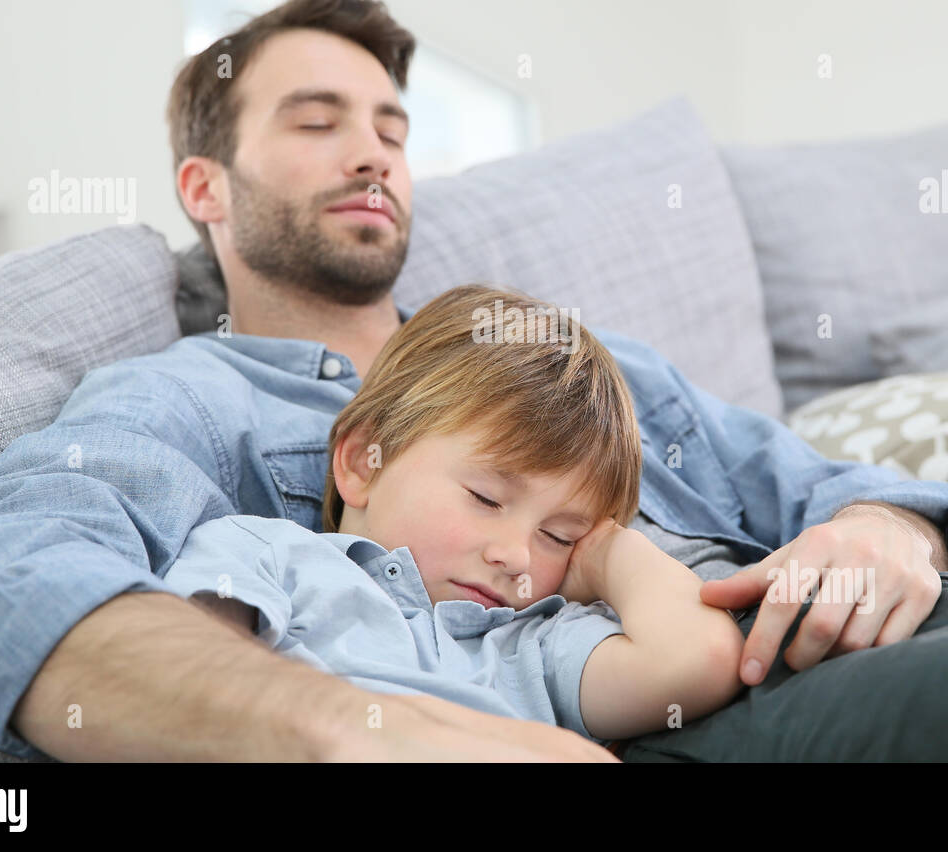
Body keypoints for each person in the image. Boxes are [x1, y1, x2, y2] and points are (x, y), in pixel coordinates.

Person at [0, 0, 948, 762]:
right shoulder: (191, 400)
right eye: (317, 120)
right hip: (763, 703)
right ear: (205, 189)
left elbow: (820, 482)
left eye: (391, 125)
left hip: (930, 609)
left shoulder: (582, 360)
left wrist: (889, 529)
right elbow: (14, 575)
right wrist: (346, 730)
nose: (374, 149)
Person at [160, 283, 747, 748]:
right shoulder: (267, 555)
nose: (516, 555)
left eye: (556, 535)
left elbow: (699, 662)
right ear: (364, 463)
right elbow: (184, 674)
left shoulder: (530, 645)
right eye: (487, 499)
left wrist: (612, 554)